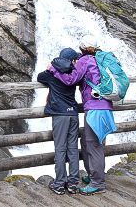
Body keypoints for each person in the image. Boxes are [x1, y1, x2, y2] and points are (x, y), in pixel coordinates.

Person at [48, 35, 116, 195]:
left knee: (93, 145)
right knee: (87, 142)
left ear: (82, 48)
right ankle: (93, 175)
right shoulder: (100, 58)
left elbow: (71, 79)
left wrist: (53, 70)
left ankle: (98, 183)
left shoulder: (85, 60)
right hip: (105, 105)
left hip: (95, 107)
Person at [37, 48, 80, 195]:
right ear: (72, 60)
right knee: (73, 148)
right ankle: (73, 183)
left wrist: (50, 69)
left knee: (60, 148)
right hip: (73, 113)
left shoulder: (52, 74)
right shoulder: (75, 73)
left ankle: (59, 183)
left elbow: (39, 77)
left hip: (60, 115)